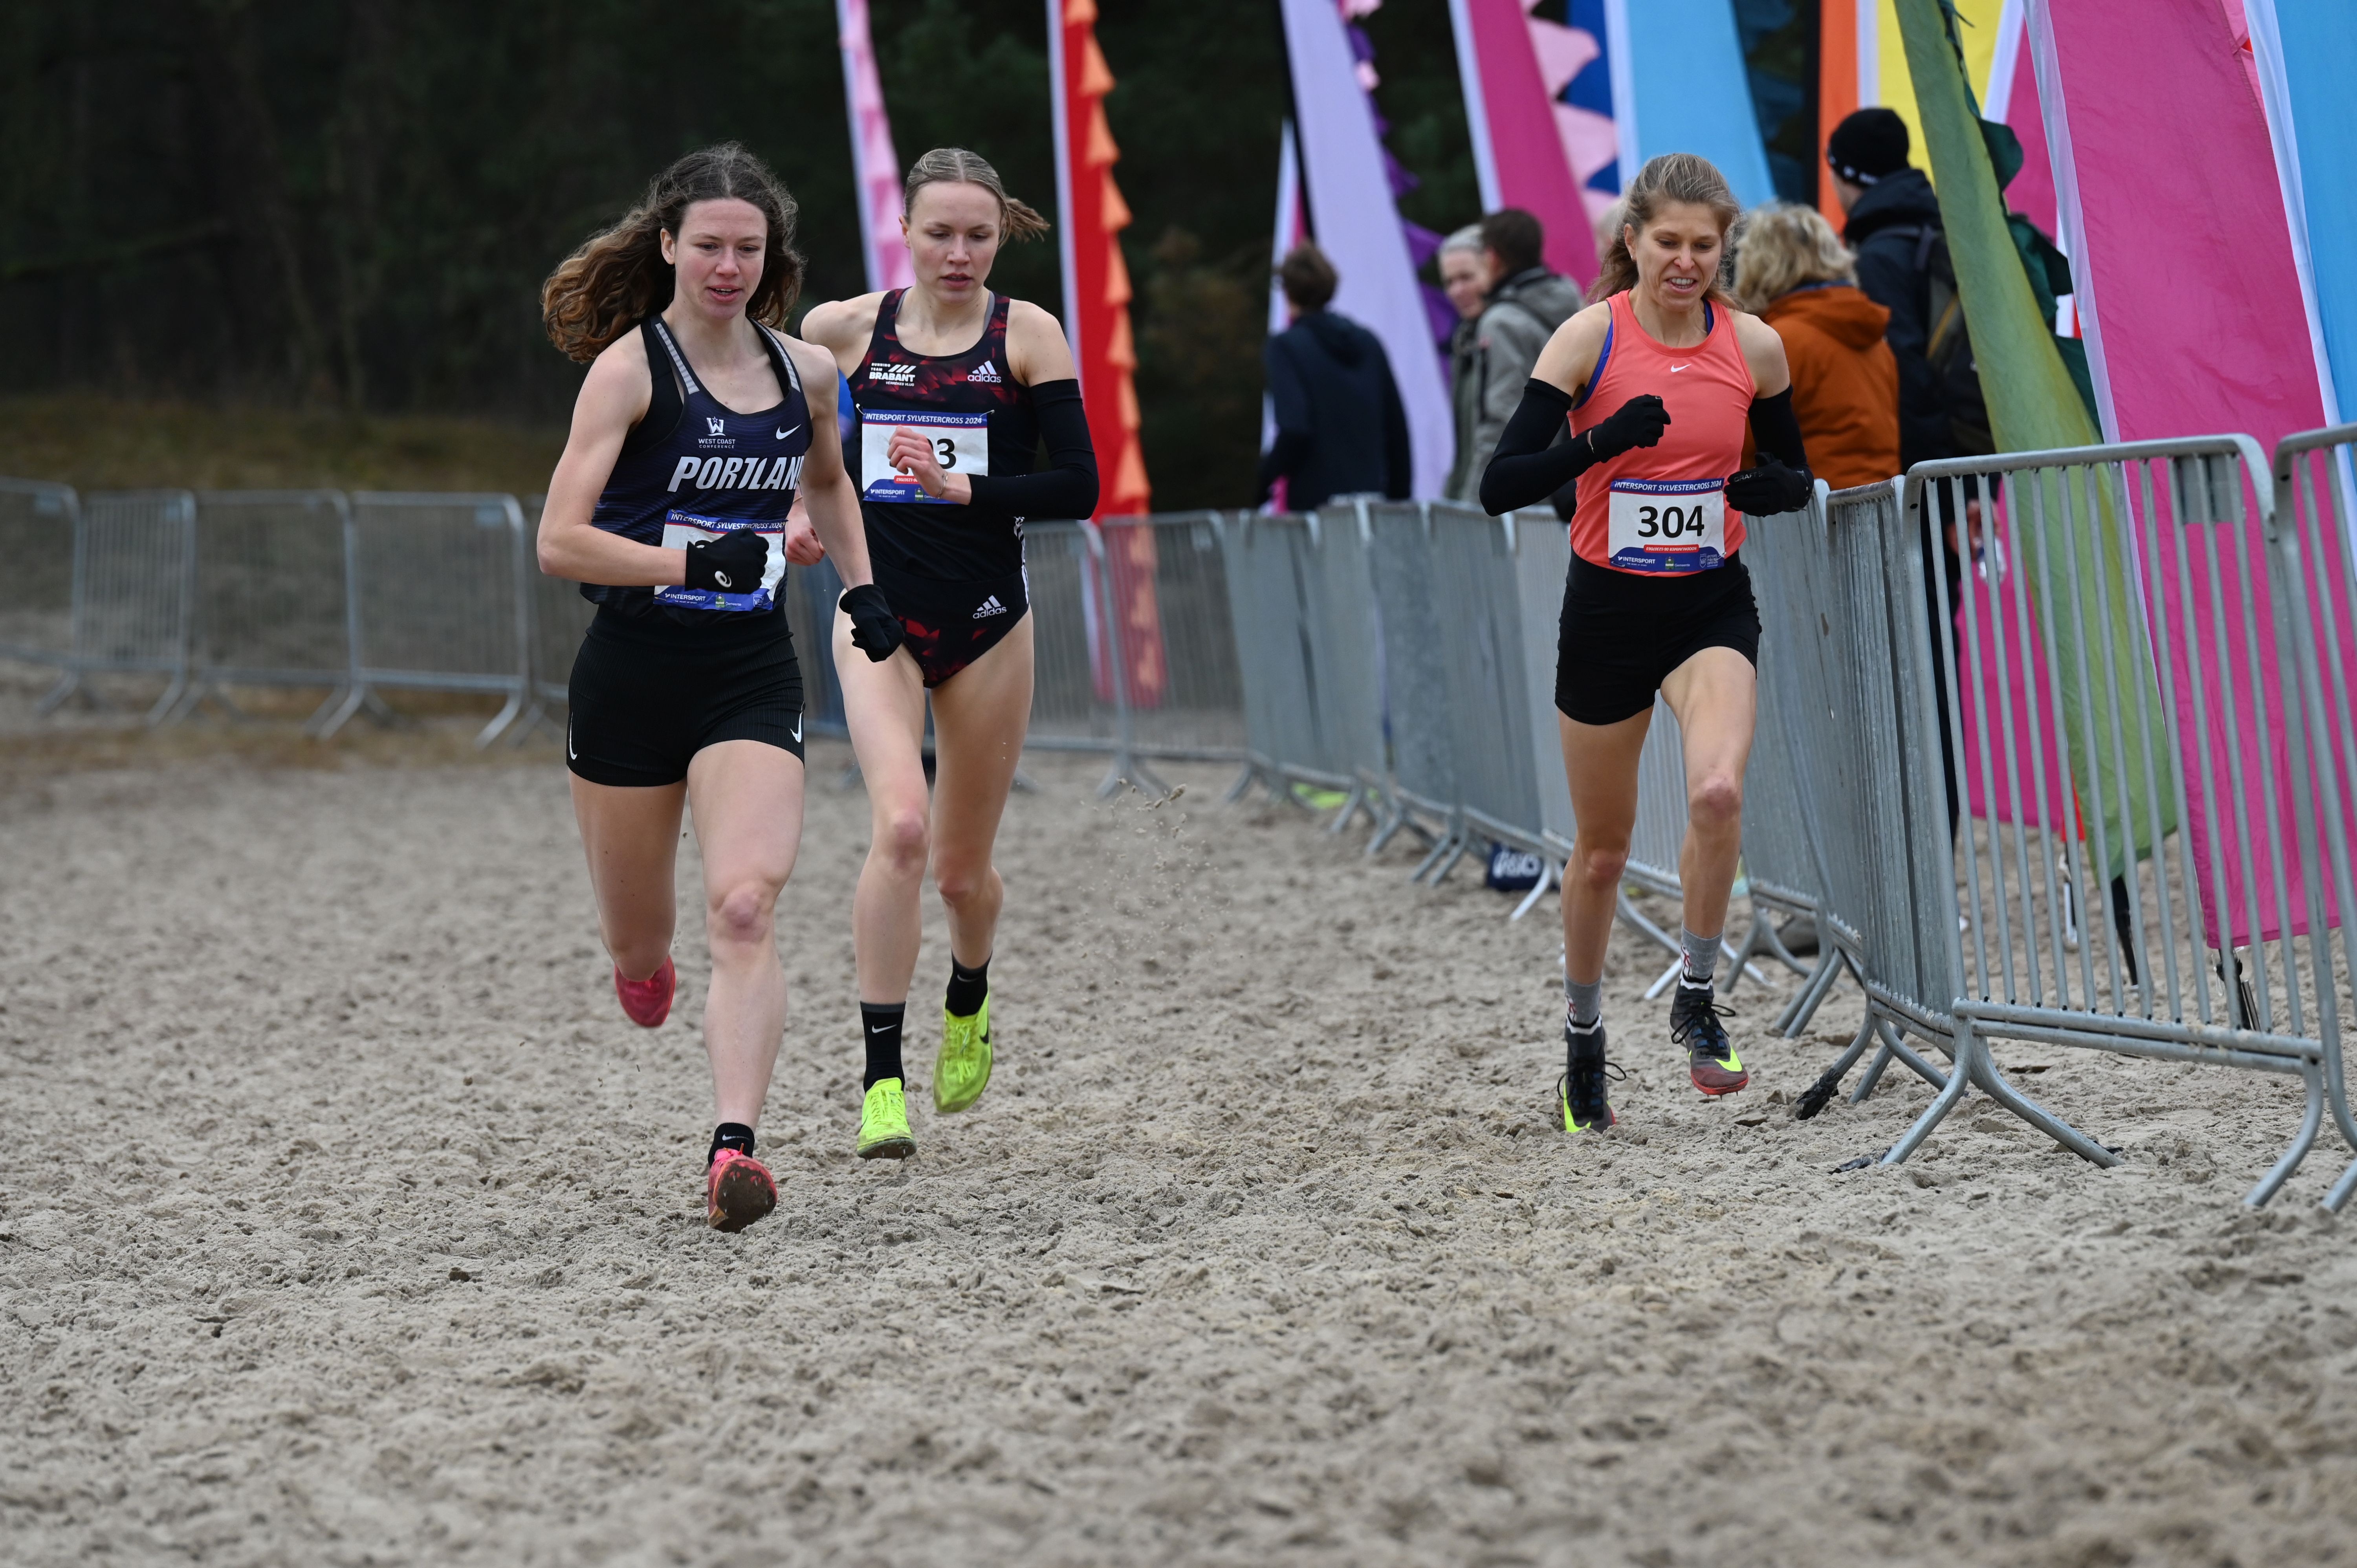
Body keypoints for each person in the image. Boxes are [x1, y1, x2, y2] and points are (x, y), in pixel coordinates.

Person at [535, 144, 904, 1233]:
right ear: (668, 247)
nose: (728, 267)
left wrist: (864, 589)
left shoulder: (808, 375)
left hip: (746, 672)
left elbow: (829, 485)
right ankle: (640, 969)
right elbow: (559, 541)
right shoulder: (629, 373)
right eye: (708, 246)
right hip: (629, 677)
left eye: (748, 249)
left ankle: (734, 1147)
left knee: (744, 906)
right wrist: (689, 562)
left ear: (770, 257)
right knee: (641, 945)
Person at [1479, 152, 1814, 1134]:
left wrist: (1783, 489)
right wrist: (1600, 441)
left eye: (1704, 246)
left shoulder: (1755, 347)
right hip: (1607, 616)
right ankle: (1584, 1042)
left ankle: (1697, 998)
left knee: (1717, 793)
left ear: (1724, 250)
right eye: (1668, 241)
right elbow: (1501, 484)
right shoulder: (1589, 335)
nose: (1686, 261)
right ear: (1632, 240)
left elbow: (1795, 472)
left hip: (1709, 607)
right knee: (1601, 854)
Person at [802, 147, 1098, 1162]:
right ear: (907, 232)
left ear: (1001, 235)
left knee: (962, 876)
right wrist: (797, 510)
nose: (959, 253)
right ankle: (882, 1083)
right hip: (877, 614)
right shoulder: (842, 331)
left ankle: (969, 991)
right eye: (940, 233)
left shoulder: (1029, 335)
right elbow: (789, 440)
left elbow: (1080, 487)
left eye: (978, 235)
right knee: (900, 828)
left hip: (988, 623)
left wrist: (964, 491)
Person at [1732, 201, 1898, 490]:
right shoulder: (1875, 338)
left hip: (1812, 510)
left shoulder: (1778, 341)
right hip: (1882, 507)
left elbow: (1738, 448)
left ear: (1758, 264)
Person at [1256, 243, 1410, 511]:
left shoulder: (1287, 347)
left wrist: (1263, 481)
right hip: (1372, 505)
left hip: (1316, 508)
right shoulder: (1369, 343)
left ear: (1288, 292)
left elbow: (1294, 428)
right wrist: (1399, 499)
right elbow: (1396, 429)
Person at [1458, 208, 1586, 499]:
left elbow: (1502, 420)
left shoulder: (1501, 322)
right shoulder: (1576, 306)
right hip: (1567, 485)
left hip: (1519, 496)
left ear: (1492, 258)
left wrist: (1474, 501)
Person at [1440, 225, 1493, 503]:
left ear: (1493, 269)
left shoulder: (1505, 332)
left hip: (1504, 506)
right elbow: (1465, 449)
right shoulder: (1465, 341)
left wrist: (1471, 504)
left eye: (1467, 277)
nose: (1457, 291)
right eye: (1450, 282)